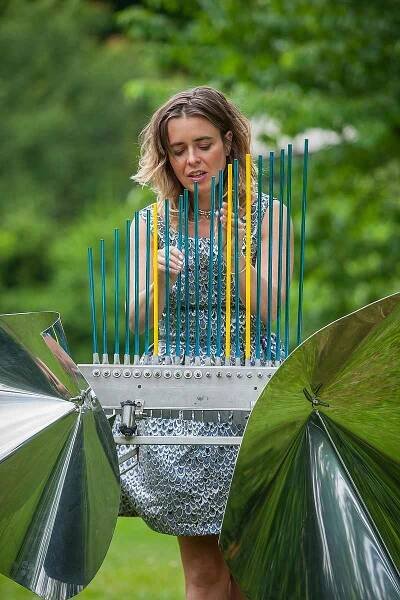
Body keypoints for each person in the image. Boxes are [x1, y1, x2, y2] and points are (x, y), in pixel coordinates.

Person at [115, 86, 292, 600]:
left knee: (255, 571)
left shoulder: (268, 214)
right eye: (178, 149)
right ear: (165, 157)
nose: (192, 160)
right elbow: (135, 319)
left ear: (230, 143)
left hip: (253, 387)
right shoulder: (149, 225)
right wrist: (160, 283)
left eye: (204, 144)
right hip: (178, 393)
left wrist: (236, 252)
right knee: (207, 576)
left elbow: (271, 309)